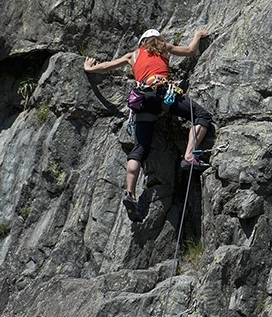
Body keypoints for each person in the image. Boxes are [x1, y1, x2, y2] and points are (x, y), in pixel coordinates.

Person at [83, 28, 214, 222]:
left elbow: (107, 66)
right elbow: (190, 51)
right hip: (161, 93)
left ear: (141, 42)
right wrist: (197, 36)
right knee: (202, 116)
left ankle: (130, 194)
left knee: (139, 149)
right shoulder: (164, 47)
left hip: (141, 100)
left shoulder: (133, 55)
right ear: (158, 39)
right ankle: (188, 156)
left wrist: (89, 68)